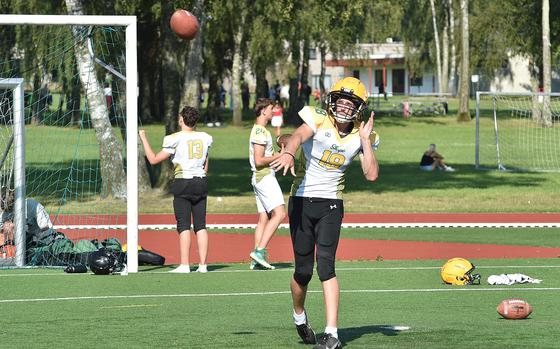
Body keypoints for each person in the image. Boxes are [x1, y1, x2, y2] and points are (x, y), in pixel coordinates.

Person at [271, 77, 379, 349]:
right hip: (302, 201)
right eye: (340, 101)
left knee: (327, 266)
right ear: (332, 102)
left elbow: (372, 175)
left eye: (350, 103)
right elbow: (295, 137)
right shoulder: (318, 119)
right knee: (303, 271)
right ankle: (299, 315)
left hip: (331, 203)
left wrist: (365, 141)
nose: (343, 107)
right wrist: (290, 154)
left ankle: (332, 334)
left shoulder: (362, 134)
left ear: (358, 108)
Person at [139, 106, 213, 273]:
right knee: (201, 225)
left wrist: (143, 138)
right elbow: (205, 166)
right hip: (200, 181)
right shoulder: (205, 137)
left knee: (184, 225)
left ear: (181, 120)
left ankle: (185, 264)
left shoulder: (174, 138)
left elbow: (153, 159)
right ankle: (203, 265)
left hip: (183, 181)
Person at [248, 98, 286, 270]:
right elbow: (259, 160)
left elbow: (264, 157)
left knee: (264, 218)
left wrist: (278, 153)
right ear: (263, 111)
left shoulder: (261, 130)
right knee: (280, 214)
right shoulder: (260, 132)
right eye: (271, 108)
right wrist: (280, 155)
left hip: (260, 177)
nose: (273, 111)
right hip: (264, 177)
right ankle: (259, 251)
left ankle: (257, 259)